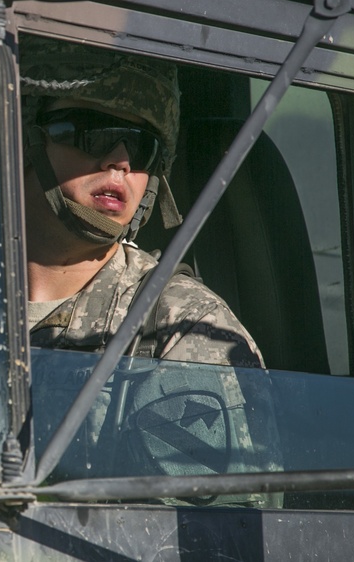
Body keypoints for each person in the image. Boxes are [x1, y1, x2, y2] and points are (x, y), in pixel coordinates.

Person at [19, 36, 263, 369]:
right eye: (95, 133)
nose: (120, 160)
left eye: (142, 147)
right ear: (25, 139)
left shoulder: (181, 326)